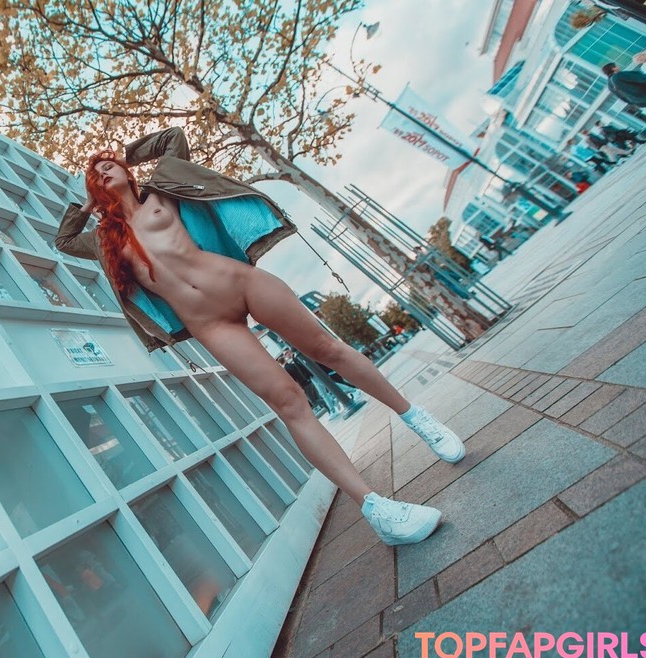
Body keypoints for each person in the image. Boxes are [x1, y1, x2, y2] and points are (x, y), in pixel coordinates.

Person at [56, 127, 466, 546]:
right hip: (212, 324)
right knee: (289, 402)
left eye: (108, 166)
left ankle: (416, 417)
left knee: (328, 349)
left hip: (240, 282)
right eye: (95, 174)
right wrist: (88, 201)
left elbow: (174, 139)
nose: (103, 171)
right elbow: (64, 240)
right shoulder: (106, 239)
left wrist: (123, 155)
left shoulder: (163, 192)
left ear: (126, 171)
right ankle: (378, 511)